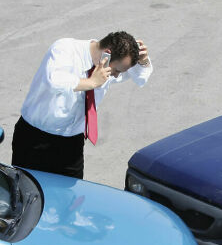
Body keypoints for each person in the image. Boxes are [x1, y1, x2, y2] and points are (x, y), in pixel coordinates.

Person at [12, 31, 152, 179]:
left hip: (72, 144)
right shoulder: (65, 48)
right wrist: (91, 82)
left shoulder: (106, 67)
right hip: (35, 140)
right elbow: (54, 81)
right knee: (26, 195)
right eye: (117, 70)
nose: (116, 75)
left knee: (72, 198)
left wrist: (143, 61)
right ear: (107, 54)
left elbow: (140, 79)